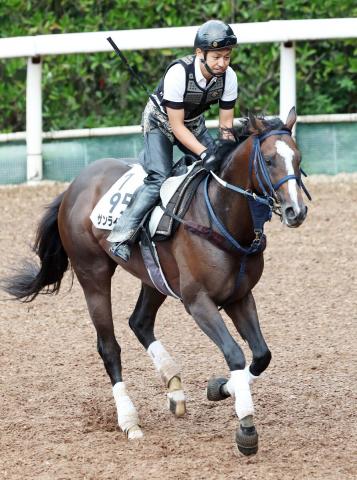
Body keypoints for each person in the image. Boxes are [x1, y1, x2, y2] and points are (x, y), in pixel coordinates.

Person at [109, 19, 238, 260]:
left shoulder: (229, 78)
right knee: (159, 178)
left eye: (227, 57)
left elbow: (226, 125)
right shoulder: (178, 73)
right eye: (216, 57)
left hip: (194, 123)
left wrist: (224, 153)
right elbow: (176, 127)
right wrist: (204, 153)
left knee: (221, 167)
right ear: (200, 53)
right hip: (161, 122)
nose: (222, 63)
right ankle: (121, 236)